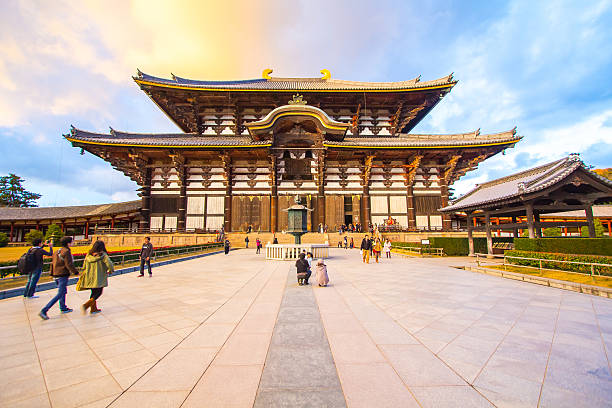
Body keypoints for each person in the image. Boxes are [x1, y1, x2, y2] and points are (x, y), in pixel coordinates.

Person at [39, 236, 78, 320]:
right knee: (60, 293)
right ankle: (44, 310)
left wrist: (52, 273)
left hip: (56, 274)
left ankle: (63, 307)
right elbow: (69, 264)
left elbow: (53, 263)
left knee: (63, 291)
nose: (73, 243)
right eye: (72, 241)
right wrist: (75, 272)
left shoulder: (57, 251)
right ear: (68, 243)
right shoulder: (66, 251)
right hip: (62, 274)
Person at [78, 240, 114, 314]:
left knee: (93, 292)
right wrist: (111, 270)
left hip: (89, 276)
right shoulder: (103, 255)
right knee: (99, 292)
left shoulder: (89, 255)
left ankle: (93, 309)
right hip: (99, 277)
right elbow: (110, 264)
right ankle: (86, 305)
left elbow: (84, 265)